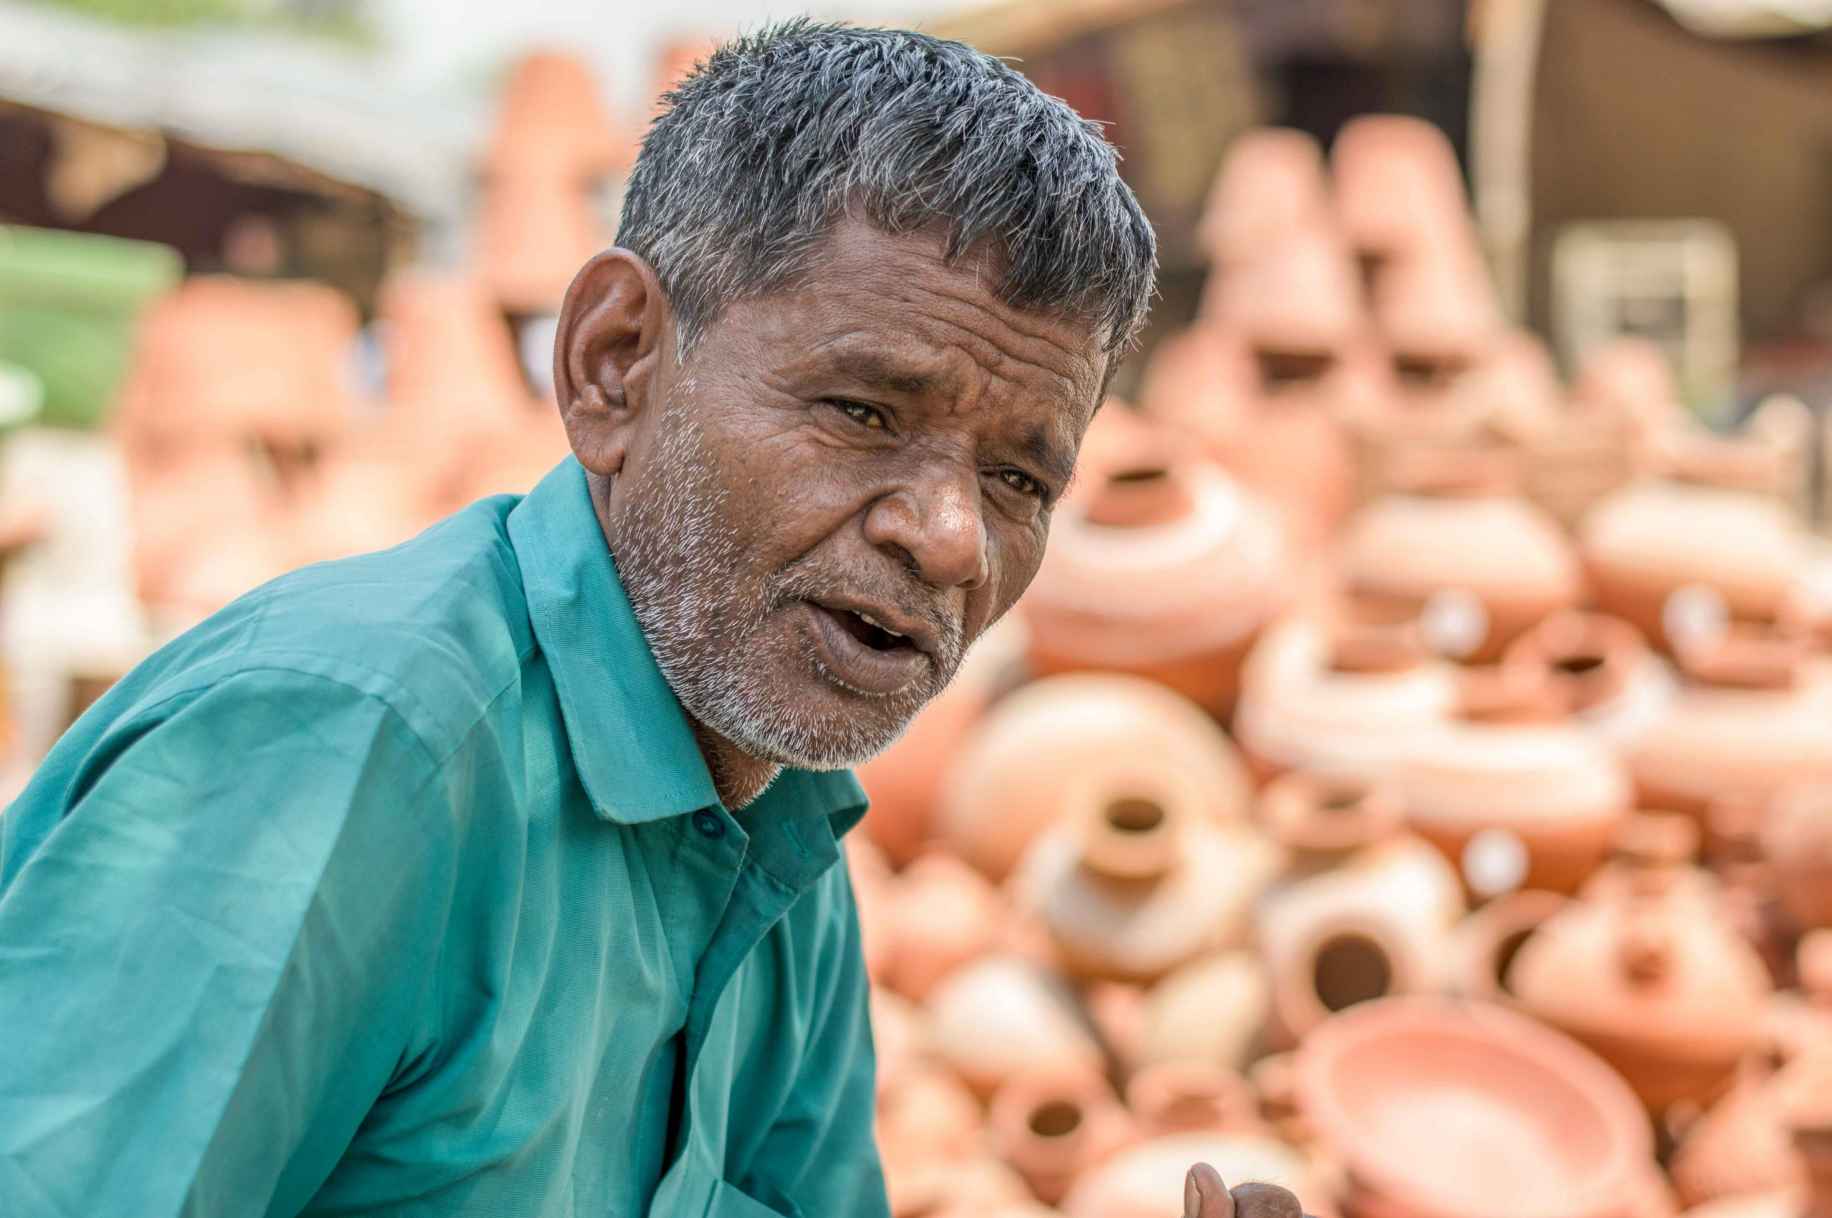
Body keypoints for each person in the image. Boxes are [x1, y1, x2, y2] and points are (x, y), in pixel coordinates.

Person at [0, 21, 1306, 1218]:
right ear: (614, 363)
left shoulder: (779, 837)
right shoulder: (350, 753)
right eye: (864, 411)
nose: (954, 538)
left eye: (1020, 477)